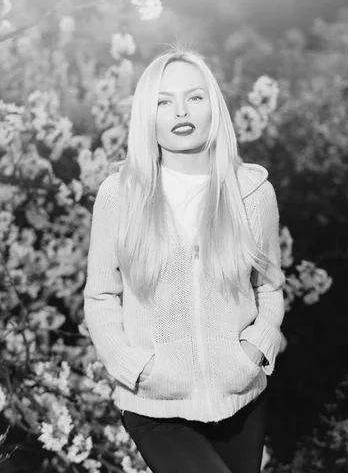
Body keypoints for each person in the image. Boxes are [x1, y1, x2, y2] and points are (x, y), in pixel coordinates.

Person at [83, 47, 286, 473]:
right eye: (163, 101)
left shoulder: (252, 193)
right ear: (147, 116)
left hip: (241, 396)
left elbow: (268, 286)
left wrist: (253, 350)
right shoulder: (119, 195)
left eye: (194, 97)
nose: (180, 111)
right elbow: (101, 295)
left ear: (214, 108)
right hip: (157, 404)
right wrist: (133, 367)